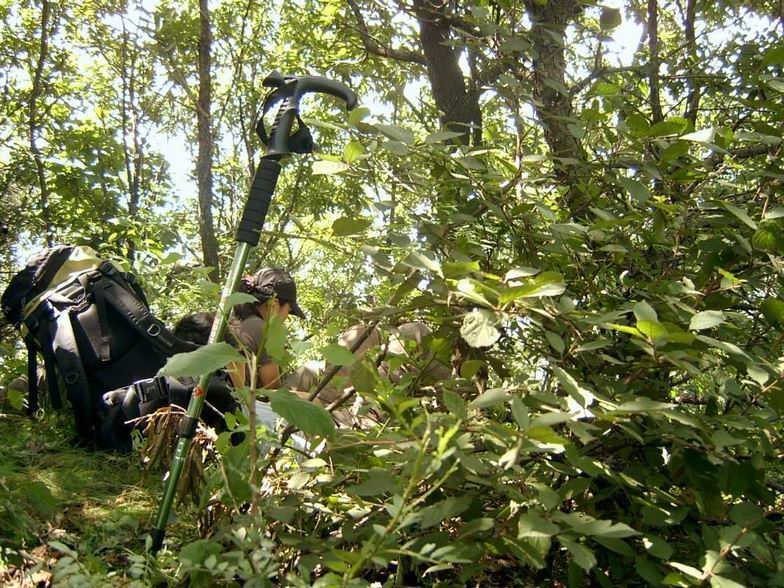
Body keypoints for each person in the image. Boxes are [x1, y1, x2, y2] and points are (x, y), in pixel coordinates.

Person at [233, 268, 306, 389]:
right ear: (273, 305)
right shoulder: (266, 330)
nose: (286, 317)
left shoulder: (237, 322)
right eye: (289, 310)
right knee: (311, 370)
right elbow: (272, 389)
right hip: (254, 399)